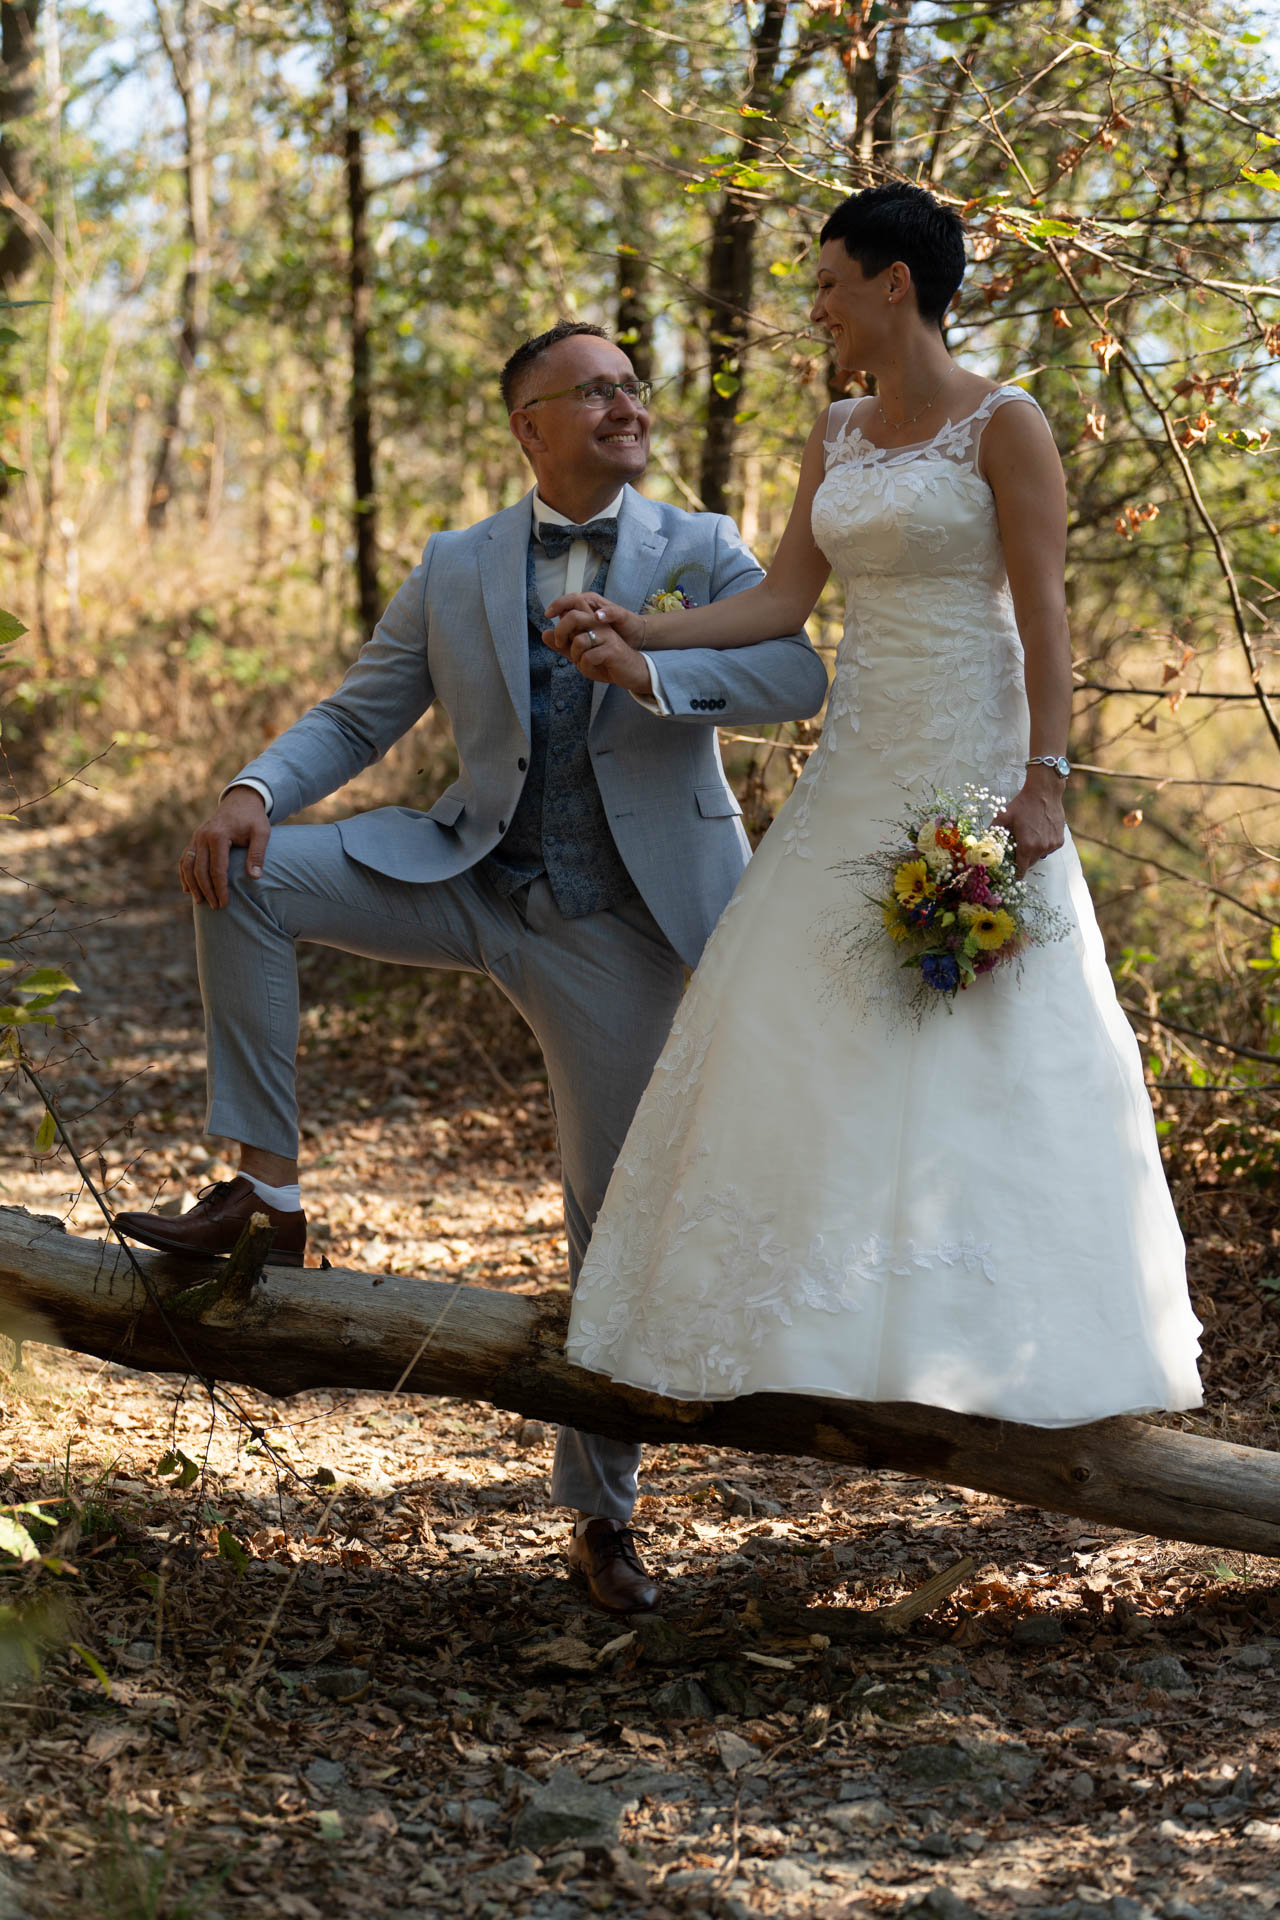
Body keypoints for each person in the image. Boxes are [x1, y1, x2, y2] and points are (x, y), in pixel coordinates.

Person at [113, 320, 829, 1613]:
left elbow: (795, 666)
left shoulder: (701, 546)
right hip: (470, 877)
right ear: (529, 425)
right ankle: (264, 1190)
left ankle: (601, 1518)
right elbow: (358, 714)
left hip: (624, 926)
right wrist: (247, 788)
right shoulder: (455, 566)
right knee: (248, 876)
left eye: (632, 385)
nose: (625, 404)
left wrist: (654, 667)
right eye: (593, 391)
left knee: (608, 1229)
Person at [545, 186, 1204, 1425]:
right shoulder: (837, 429)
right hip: (857, 759)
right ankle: (814, 1323)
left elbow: (1045, 612)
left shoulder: (1006, 425)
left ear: (893, 282)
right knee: (802, 1011)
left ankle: (995, 1336)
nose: (819, 307)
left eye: (832, 284)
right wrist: (646, 631)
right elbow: (785, 601)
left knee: (983, 1030)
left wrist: (1044, 780)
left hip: (975, 758)